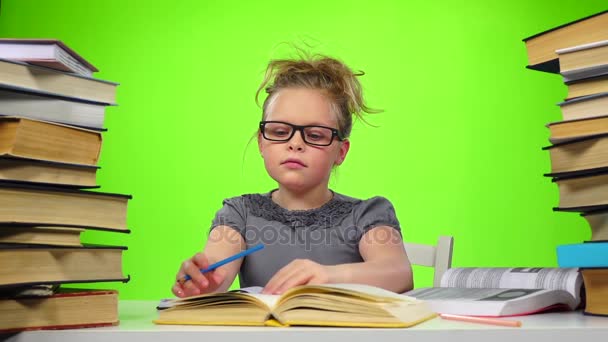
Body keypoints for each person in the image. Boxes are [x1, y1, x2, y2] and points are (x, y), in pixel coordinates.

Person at [172, 53, 413, 298]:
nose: (295, 143)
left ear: (340, 152)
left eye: (316, 135)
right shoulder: (239, 213)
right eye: (279, 131)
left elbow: (398, 273)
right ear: (261, 143)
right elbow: (217, 265)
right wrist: (203, 282)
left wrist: (328, 276)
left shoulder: (366, 214)